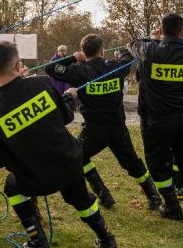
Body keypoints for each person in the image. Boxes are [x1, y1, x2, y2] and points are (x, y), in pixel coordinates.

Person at [0, 40, 117, 247]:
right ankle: (107, 239)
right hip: (68, 164)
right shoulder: (41, 83)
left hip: (33, 177)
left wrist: (16, 160)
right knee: (83, 200)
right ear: (18, 65)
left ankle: (38, 240)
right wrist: (68, 98)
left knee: (12, 186)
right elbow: (66, 117)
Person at [45, 34, 161, 211]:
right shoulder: (114, 67)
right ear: (102, 50)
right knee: (132, 163)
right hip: (115, 128)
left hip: (96, 130)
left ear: (83, 52)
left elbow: (51, 68)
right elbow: (129, 55)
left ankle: (104, 194)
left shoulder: (80, 71)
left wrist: (73, 58)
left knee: (78, 156)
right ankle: (151, 197)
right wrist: (146, 39)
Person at [128, 13, 183, 224]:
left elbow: (131, 44)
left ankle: (172, 206)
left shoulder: (151, 50)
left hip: (158, 120)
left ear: (160, 29)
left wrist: (154, 38)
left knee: (158, 163)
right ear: (182, 30)